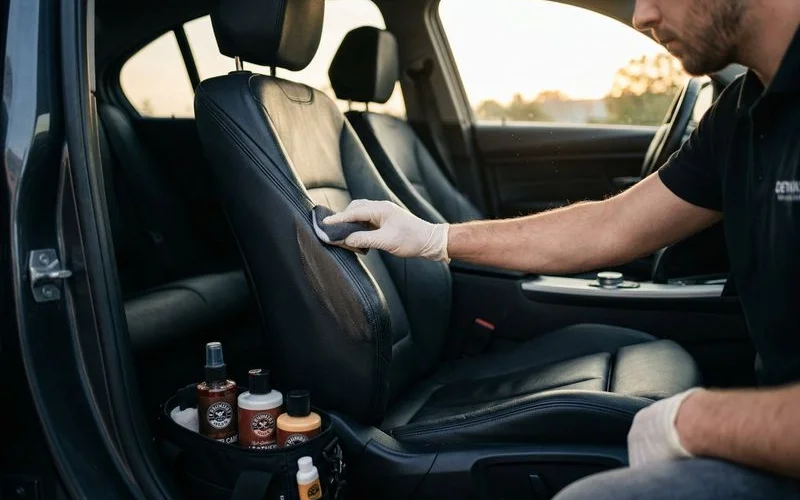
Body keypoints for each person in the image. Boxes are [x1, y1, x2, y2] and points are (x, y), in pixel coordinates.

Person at [322, 0, 800, 498]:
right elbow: (611, 225)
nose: (642, 16)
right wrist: (436, 239)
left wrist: (697, 420)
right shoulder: (745, 109)